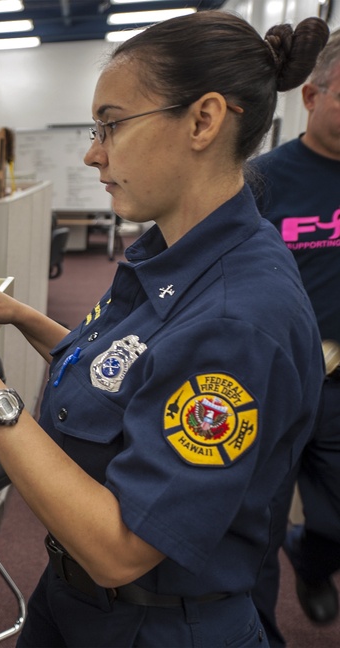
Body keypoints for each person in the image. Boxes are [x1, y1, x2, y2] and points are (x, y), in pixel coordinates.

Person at [0, 11, 329, 646]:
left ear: (202, 121)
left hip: (154, 620)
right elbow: (128, 373)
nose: (93, 153)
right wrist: (28, 319)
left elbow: (121, 549)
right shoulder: (175, 254)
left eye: (111, 125)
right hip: (76, 599)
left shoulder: (237, 321)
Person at [250, 30, 340, 627]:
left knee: (336, 518)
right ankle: (255, 628)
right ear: (311, 95)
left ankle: (311, 561)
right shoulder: (262, 180)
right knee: (256, 520)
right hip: (274, 378)